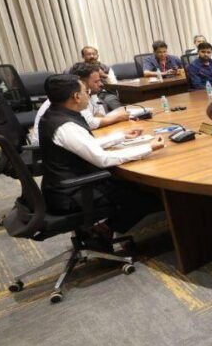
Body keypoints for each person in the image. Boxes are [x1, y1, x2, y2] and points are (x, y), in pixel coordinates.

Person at [38, 74, 164, 243]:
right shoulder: (65, 125)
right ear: (76, 97)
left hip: (64, 185)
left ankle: (103, 229)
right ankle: (103, 231)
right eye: (85, 91)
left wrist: (121, 137)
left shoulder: (54, 114)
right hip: (71, 193)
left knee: (131, 186)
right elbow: (102, 159)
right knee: (146, 198)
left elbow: (84, 144)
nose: (88, 95)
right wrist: (148, 148)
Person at [31, 63, 130, 144]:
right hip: (48, 149)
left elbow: (100, 115)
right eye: (96, 81)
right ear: (82, 83)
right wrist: (117, 117)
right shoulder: (67, 99)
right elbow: (90, 123)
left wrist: (99, 120)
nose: (101, 84)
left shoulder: (90, 93)